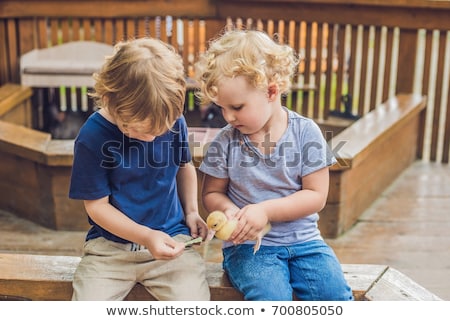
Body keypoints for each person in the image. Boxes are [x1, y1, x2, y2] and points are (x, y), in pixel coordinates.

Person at [195, 29, 353, 301]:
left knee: (334, 296)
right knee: (271, 298)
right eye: (222, 108)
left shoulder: (306, 133)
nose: (228, 117)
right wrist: (232, 212)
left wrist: (265, 211)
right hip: (248, 248)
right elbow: (212, 193)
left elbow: (316, 195)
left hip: (306, 243)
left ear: (271, 91)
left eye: (237, 107)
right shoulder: (226, 141)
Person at [69, 37, 210, 301]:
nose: (152, 138)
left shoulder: (171, 120)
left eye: (161, 130)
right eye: (141, 130)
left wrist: (191, 212)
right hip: (110, 251)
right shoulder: (92, 137)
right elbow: (97, 207)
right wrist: (146, 237)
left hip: (172, 242)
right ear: (110, 100)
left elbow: (184, 165)